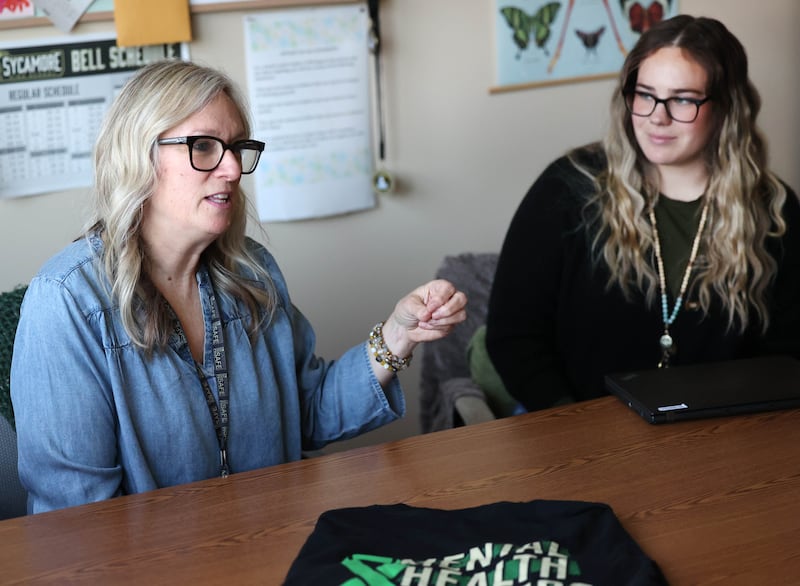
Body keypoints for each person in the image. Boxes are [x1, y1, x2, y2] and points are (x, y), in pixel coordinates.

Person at [10, 60, 467, 514]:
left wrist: (399, 334)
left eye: (236, 147)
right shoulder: (67, 302)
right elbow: (76, 519)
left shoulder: (252, 271)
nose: (231, 169)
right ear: (138, 155)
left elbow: (308, 413)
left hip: (272, 539)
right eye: (203, 146)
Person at [485, 15, 800, 413]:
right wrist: (572, 422)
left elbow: (787, 353)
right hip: (573, 425)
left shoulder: (774, 209)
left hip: (721, 429)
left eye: (683, 99)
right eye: (645, 94)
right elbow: (513, 337)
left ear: (726, 109)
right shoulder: (568, 189)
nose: (657, 117)